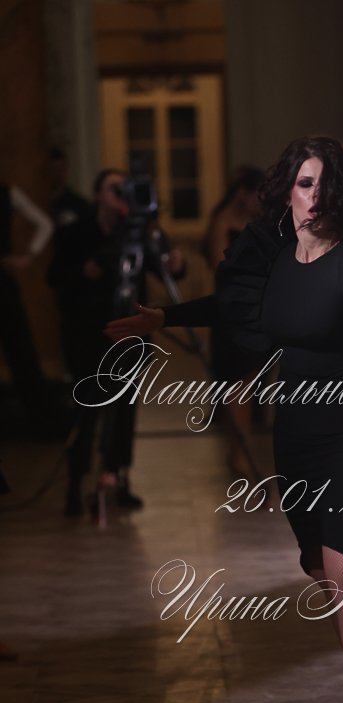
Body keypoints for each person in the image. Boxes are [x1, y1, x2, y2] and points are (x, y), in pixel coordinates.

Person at [106, 136, 343, 703]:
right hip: (296, 434)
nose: (314, 197)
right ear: (287, 193)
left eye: (325, 186)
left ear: (341, 196)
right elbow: (233, 309)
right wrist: (163, 316)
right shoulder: (278, 259)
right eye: (304, 184)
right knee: (321, 565)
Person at [48, 168, 184, 516]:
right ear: (96, 195)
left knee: (124, 410)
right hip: (85, 334)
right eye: (113, 189)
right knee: (86, 410)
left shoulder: (136, 234)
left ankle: (118, 477)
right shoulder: (74, 232)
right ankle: (75, 484)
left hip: (129, 335)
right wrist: (84, 271)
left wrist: (175, 263)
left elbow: (165, 270)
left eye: (125, 189)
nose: (121, 195)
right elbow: (54, 276)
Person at [200, 166, 267, 477]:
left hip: (254, 312)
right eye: (257, 196)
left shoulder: (258, 223)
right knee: (236, 384)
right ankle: (239, 452)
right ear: (243, 194)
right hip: (231, 313)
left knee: (248, 384)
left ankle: (241, 451)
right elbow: (221, 269)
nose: (261, 202)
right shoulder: (223, 222)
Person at [0, 181, 53, 422]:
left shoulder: (7, 193)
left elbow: (44, 224)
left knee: (20, 347)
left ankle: (39, 413)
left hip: (4, 282)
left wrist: (29, 256)